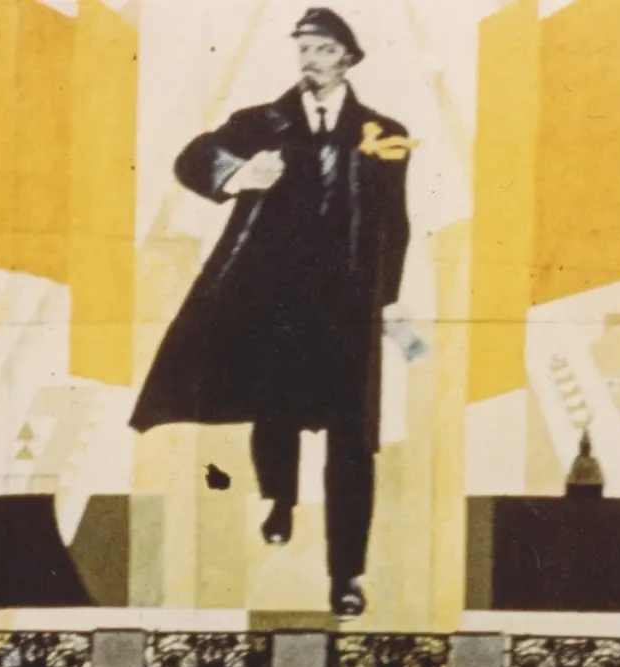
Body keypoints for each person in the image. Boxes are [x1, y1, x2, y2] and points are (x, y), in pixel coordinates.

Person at [128, 5, 413, 621]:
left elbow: (396, 222)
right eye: (302, 48)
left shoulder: (385, 132)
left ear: (346, 56)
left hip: (347, 308)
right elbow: (193, 158)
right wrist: (239, 174)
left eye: (319, 49)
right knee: (274, 411)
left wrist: (386, 301)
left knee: (352, 442)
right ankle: (279, 499)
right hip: (277, 299)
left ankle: (347, 575)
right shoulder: (262, 122)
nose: (307, 59)